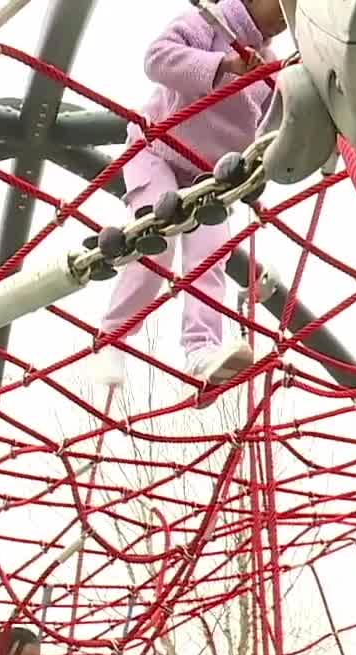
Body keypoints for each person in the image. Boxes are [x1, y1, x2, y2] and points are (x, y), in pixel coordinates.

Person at [89, 0, 288, 407]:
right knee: (153, 247)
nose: (289, 11)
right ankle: (111, 339)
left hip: (206, 174)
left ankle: (201, 356)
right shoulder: (208, 22)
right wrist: (223, 66)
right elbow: (156, 58)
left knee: (210, 254)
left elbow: (273, 126)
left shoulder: (270, 69)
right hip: (157, 149)